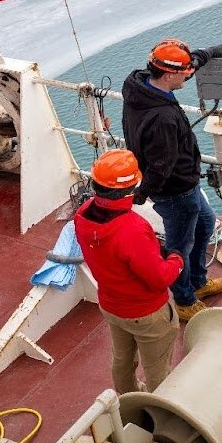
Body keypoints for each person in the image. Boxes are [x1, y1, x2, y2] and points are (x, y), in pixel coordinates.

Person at [122, 38, 222, 322]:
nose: (189, 74)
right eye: (183, 72)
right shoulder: (162, 118)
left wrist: (212, 52)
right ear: (169, 74)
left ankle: (198, 281)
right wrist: (143, 193)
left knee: (206, 223)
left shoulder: (141, 83)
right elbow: (161, 166)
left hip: (185, 185)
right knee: (179, 246)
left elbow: (190, 62)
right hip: (175, 191)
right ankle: (184, 299)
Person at [73, 149, 184, 395]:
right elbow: (161, 278)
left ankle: (127, 399)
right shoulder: (133, 229)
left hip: (112, 306)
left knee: (122, 361)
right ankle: (160, 415)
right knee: (158, 371)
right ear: (130, 189)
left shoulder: (82, 215)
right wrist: (176, 259)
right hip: (146, 313)